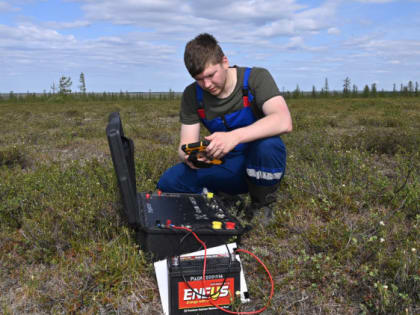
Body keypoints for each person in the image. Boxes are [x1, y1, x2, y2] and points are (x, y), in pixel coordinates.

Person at [157, 33, 292, 224]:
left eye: (211, 75)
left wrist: (233, 137)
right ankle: (224, 200)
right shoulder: (192, 95)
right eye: (199, 79)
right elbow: (184, 145)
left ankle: (262, 204)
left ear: (225, 62)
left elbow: (283, 121)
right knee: (169, 181)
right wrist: (192, 155)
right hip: (226, 165)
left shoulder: (256, 78)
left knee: (268, 145)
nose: (207, 85)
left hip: (258, 163)